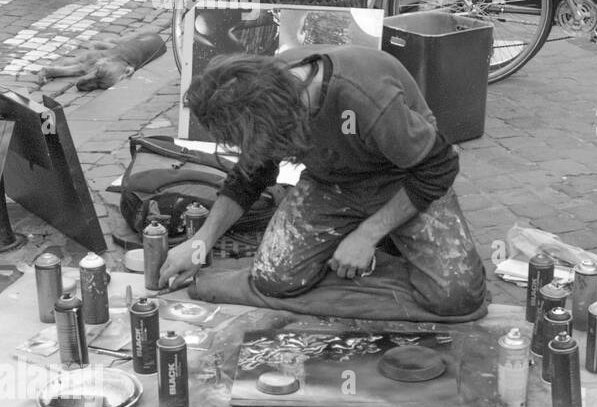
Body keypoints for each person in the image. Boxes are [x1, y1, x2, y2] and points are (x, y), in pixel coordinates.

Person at [157, 49, 488, 319]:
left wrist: (367, 235)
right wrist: (200, 243)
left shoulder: (365, 96)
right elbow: (251, 174)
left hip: (402, 179)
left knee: (457, 298)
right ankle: (371, 253)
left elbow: (439, 166)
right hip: (331, 183)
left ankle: (375, 245)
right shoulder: (268, 91)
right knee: (274, 280)